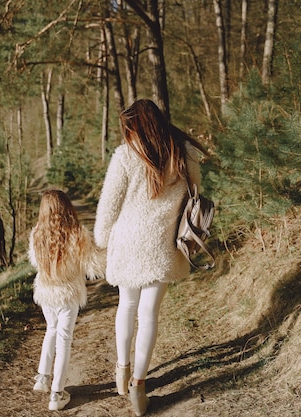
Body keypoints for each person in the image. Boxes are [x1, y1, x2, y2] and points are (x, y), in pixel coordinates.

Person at [93, 99, 203, 416]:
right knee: (150, 315)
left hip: (127, 245)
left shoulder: (126, 155)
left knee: (127, 307)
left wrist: (101, 240)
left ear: (134, 126)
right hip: (163, 246)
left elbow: (108, 206)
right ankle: (138, 388)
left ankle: (122, 370)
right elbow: (195, 198)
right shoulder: (184, 152)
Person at [28, 189, 105, 411]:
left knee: (51, 329)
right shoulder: (78, 234)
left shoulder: (37, 234)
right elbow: (94, 266)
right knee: (64, 339)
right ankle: (57, 393)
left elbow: (35, 263)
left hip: (46, 293)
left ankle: (42, 378)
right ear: (67, 207)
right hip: (68, 293)